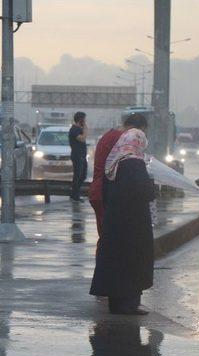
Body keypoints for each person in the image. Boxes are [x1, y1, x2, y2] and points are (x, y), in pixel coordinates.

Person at [90, 128, 155, 315]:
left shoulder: (114, 162)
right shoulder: (135, 163)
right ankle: (130, 304)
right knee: (132, 263)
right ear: (138, 143)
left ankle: (116, 304)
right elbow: (144, 192)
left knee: (115, 263)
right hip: (133, 225)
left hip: (113, 222)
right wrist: (153, 184)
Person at [89, 113, 148, 238]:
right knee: (111, 239)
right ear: (139, 129)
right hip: (107, 193)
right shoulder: (124, 139)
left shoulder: (111, 135)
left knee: (106, 237)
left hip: (99, 191)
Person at [68, 112, 88, 202]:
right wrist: (86, 129)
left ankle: (74, 193)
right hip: (77, 156)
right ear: (80, 119)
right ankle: (75, 195)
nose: (85, 121)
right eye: (84, 119)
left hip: (82, 156)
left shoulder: (79, 129)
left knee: (83, 175)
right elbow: (82, 138)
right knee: (78, 175)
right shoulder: (74, 129)